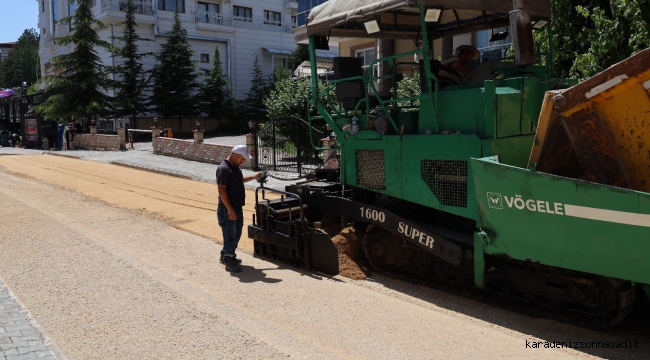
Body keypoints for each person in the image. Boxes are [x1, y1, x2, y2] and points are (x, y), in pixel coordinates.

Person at [216, 145, 261, 272]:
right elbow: (221, 190)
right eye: (242, 159)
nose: (243, 162)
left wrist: (254, 176)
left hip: (235, 207)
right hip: (228, 209)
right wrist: (230, 209)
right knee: (232, 234)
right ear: (235, 156)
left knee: (234, 233)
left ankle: (226, 253)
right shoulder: (224, 169)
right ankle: (229, 260)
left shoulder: (234, 167)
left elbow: (238, 181)